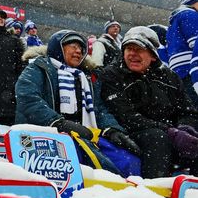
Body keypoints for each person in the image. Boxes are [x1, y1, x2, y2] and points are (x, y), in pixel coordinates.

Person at [15, 30, 139, 175]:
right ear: (58, 47)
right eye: (73, 46)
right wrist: (58, 122)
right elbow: (28, 98)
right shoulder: (39, 67)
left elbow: (98, 108)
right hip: (47, 134)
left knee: (128, 160)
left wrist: (112, 129)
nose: (78, 51)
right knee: (101, 166)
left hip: (85, 133)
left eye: (81, 48)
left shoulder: (86, 77)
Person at [97, 26, 198, 177]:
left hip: (168, 130)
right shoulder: (112, 75)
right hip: (131, 133)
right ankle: (153, 191)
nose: (132, 54)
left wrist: (185, 128)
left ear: (153, 56)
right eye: (128, 49)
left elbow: (187, 111)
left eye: (139, 49)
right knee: (157, 138)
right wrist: (169, 132)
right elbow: (126, 116)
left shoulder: (170, 77)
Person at [167, 0, 198, 108]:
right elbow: (196, 42)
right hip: (190, 68)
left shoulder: (175, 20)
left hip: (179, 70)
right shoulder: (190, 14)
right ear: (193, 3)